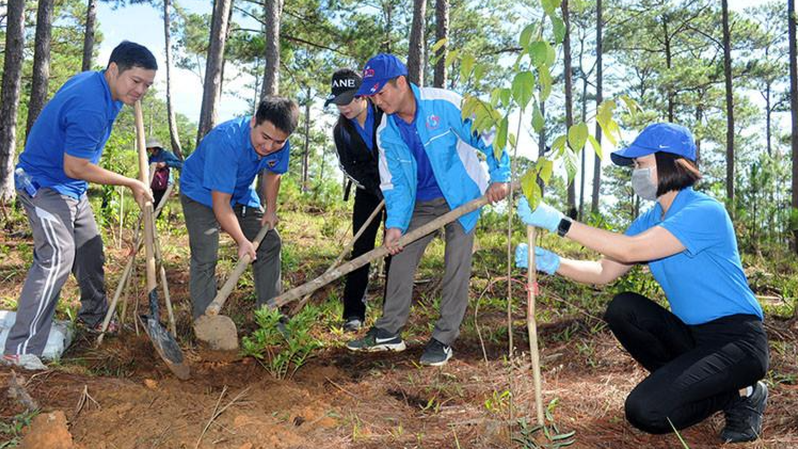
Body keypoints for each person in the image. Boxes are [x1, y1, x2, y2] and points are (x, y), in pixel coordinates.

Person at [515, 123, 768, 443]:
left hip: (738, 341)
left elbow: (630, 249)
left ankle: (742, 394)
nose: (635, 173)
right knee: (624, 308)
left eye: (640, 164)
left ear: (670, 162)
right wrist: (551, 262)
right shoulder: (651, 219)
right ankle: (708, 388)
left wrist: (559, 223)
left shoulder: (705, 211)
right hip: (692, 338)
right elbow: (605, 271)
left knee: (645, 411)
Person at [346, 54, 510, 366]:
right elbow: (394, 183)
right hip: (421, 203)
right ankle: (388, 332)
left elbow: (489, 133)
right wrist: (395, 224)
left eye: (381, 93)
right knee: (401, 257)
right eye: (373, 96)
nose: (377, 101)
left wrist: (500, 176)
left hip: (461, 198)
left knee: (456, 266)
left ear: (402, 83)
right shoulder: (387, 132)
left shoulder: (445, 104)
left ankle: (443, 338)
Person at [2, 41, 157, 370]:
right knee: (58, 256)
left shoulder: (106, 89)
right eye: (136, 81)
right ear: (113, 69)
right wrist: (130, 182)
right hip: (44, 184)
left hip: (72, 188)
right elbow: (75, 165)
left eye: (147, 84)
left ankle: (94, 316)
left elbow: (76, 168)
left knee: (89, 248)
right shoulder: (91, 104)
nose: (141, 90)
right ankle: (20, 348)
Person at [180, 96, 299, 321]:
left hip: (240, 192)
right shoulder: (226, 141)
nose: (269, 147)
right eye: (265, 138)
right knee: (206, 254)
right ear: (254, 121)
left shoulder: (279, 142)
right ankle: (206, 322)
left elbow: (273, 173)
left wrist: (270, 210)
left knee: (270, 241)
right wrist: (242, 240)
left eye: (277, 142)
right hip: (201, 192)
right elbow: (221, 203)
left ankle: (269, 314)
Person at [326, 68, 389, 332]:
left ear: (363, 95)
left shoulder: (386, 115)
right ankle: (353, 312)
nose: (344, 107)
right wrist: (373, 186)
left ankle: (391, 315)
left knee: (395, 247)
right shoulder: (341, 132)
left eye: (349, 100)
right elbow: (347, 166)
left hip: (399, 188)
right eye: (339, 101)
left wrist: (391, 184)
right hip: (368, 190)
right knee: (361, 247)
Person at [146, 137, 182, 211]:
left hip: (164, 184)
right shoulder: (151, 158)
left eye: (150, 148)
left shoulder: (165, 154)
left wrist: (166, 163)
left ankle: (155, 219)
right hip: (153, 184)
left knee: (158, 205)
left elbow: (179, 164)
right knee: (151, 204)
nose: (150, 150)